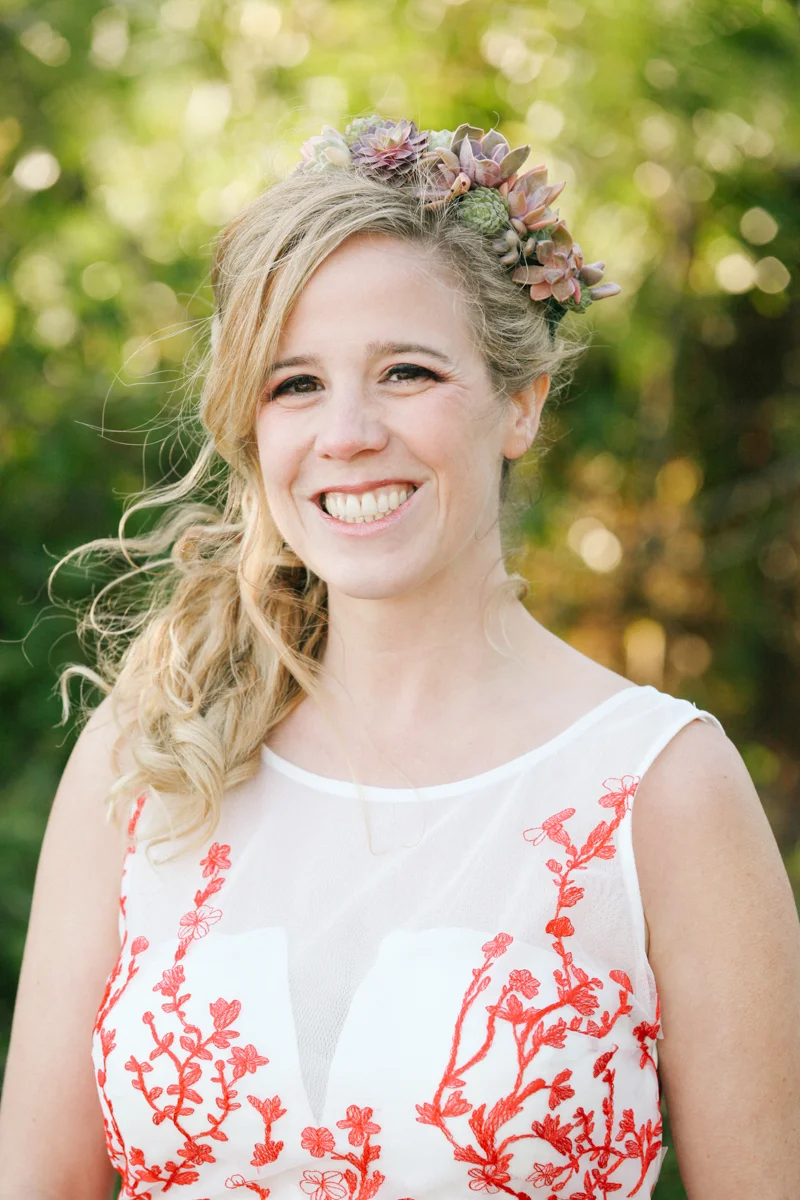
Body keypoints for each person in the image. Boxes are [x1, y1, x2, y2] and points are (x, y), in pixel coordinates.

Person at [1, 116, 798, 1200]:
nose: (345, 433)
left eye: (406, 372)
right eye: (293, 385)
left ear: (517, 401)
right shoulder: (148, 758)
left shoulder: (661, 787)